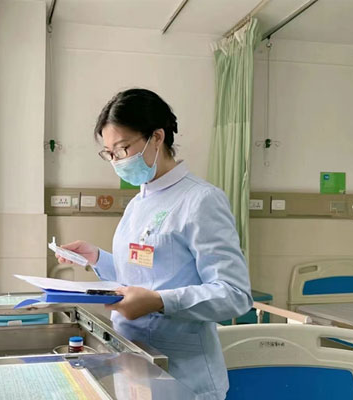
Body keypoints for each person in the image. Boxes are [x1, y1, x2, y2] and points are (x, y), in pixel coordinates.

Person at [56, 88, 253, 400]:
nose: (116, 161)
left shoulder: (201, 200)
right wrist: (97, 258)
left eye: (122, 149)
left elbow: (235, 295)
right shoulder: (138, 202)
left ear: (157, 137)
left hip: (184, 376)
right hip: (135, 363)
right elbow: (142, 274)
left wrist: (160, 301)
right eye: (109, 153)